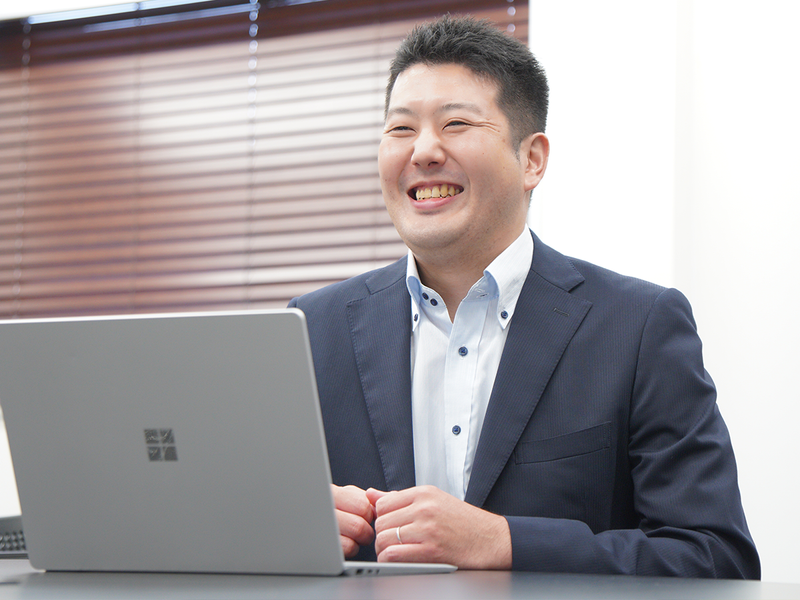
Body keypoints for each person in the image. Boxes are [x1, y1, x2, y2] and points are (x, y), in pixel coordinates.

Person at [289, 15, 759, 577]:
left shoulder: (639, 326)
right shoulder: (310, 329)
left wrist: (505, 541)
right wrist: (284, 529)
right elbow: (235, 535)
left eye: (456, 123)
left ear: (531, 159)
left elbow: (716, 558)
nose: (424, 150)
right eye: (401, 128)